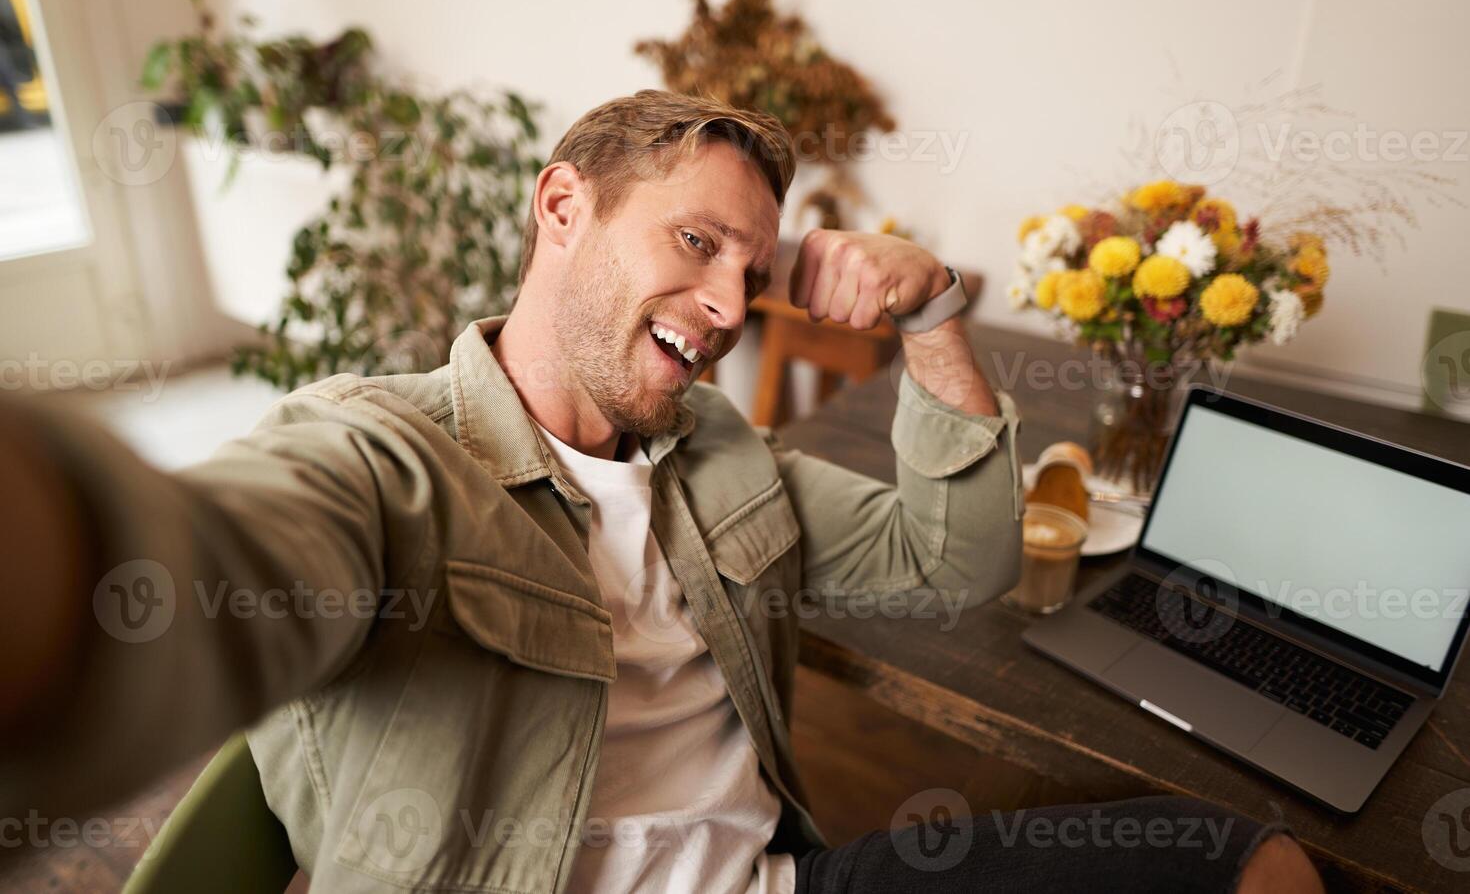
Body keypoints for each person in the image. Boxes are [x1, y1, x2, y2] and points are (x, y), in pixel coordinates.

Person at [0, 90, 1322, 893]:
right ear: (560, 206)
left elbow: (955, 561)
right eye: (695, 244)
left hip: (780, 881)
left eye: (752, 273)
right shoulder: (381, 458)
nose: (726, 308)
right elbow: (190, 582)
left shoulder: (719, 458)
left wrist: (927, 310)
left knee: (1244, 859)